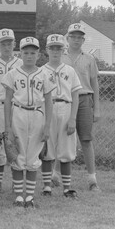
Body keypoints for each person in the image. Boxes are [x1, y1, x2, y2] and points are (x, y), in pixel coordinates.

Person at [2, 37, 53, 209]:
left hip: (37, 115)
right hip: (18, 113)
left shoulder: (44, 74)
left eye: (33, 52)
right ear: (20, 53)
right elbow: (7, 101)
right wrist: (8, 126)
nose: (29, 55)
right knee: (18, 155)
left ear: (39, 54)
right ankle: (18, 197)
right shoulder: (12, 74)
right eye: (26, 52)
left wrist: (47, 126)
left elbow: (48, 101)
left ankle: (29, 197)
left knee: (32, 157)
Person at [61, 23, 102, 192]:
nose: (76, 40)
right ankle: (57, 176)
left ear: (83, 40)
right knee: (62, 138)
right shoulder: (60, 56)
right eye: (73, 37)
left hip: (85, 99)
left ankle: (92, 179)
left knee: (86, 139)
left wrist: (97, 108)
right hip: (65, 100)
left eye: (79, 37)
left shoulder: (89, 58)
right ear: (67, 38)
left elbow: (94, 83)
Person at [40, 34, 81, 198]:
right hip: (48, 109)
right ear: (46, 50)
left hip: (65, 107)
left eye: (59, 48)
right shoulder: (41, 71)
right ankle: (47, 186)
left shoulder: (69, 70)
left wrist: (73, 118)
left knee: (66, 151)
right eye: (52, 48)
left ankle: (66, 187)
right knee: (47, 150)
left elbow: (76, 95)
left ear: (64, 50)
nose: (55, 51)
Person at [0, 28, 22, 194]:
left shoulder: (21, 63)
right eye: (3, 43)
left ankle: (17, 183)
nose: (7, 46)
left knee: (16, 145)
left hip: (16, 107)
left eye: (9, 43)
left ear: (14, 44)